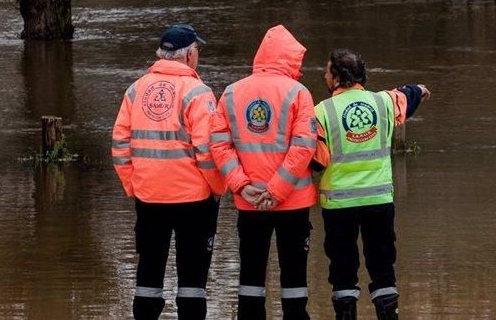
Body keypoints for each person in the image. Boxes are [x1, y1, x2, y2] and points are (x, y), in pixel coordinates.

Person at [112, 23, 225, 320]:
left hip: (149, 197)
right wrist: (217, 189)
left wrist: (132, 186)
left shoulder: (135, 90)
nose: (198, 55)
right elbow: (208, 151)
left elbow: (120, 144)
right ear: (188, 56)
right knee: (192, 280)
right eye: (197, 50)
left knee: (148, 273)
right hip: (194, 200)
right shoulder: (199, 93)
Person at [312, 49, 431, 320]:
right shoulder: (383, 103)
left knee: (342, 272)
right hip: (378, 202)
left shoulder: (321, 111)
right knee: (383, 268)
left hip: (339, 204)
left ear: (338, 78)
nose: (324, 74)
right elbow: (408, 95)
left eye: (327, 70)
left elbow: (315, 162)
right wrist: (421, 89)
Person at [211, 25, 319, 320]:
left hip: (249, 202)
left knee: (250, 279)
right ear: (290, 59)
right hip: (291, 203)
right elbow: (303, 146)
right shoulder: (299, 92)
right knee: (294, 282)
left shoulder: (231, 92)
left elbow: (219, 145)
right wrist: (277, 190)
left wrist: (240, 185)